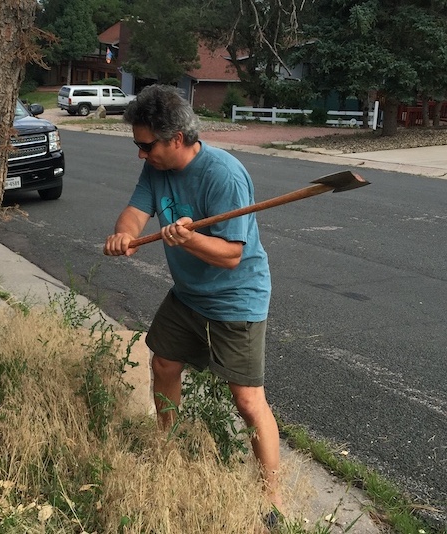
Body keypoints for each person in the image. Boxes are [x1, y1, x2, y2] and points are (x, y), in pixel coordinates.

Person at [103, 84, 284, 523]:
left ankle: (273, 498)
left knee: (246, 399)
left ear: (177, 139)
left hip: (235, 299)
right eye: (137, 146)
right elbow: (134, 211)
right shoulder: (157, 168)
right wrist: (124, 233)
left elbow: (231, 255)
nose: (140, 155)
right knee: (163, 364)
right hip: (187, 296)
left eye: (146, 146)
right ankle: (171, 449)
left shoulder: (224, 174)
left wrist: (190, 238)